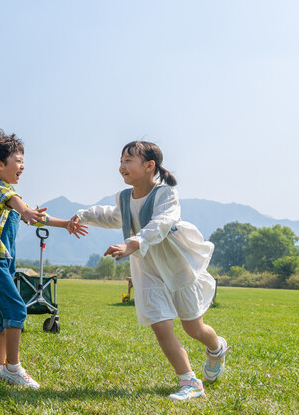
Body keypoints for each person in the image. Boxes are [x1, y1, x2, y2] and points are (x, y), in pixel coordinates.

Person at [69, 141, 230, 401]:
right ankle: (189, 382)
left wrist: (133, 243)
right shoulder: (123, 198)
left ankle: (217, 347)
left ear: (149, 166)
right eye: (121, 161)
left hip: (176, 267)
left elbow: (162, 222)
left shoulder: (166, 195)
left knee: (194, 328)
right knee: (161, 326)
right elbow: (113, 216)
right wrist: (82, 214)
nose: (122, 166)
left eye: (128, 160)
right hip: (147, 270)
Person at [0, 131, 86, 388]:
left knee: (3, 312)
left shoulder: (9, 195)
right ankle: (13, 368)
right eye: (18, 161)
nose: (23, 166)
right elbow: (17, 204)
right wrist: (24, 209)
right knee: (16, 309)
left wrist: (65, 223)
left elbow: (30, 213)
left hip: (1, 258)